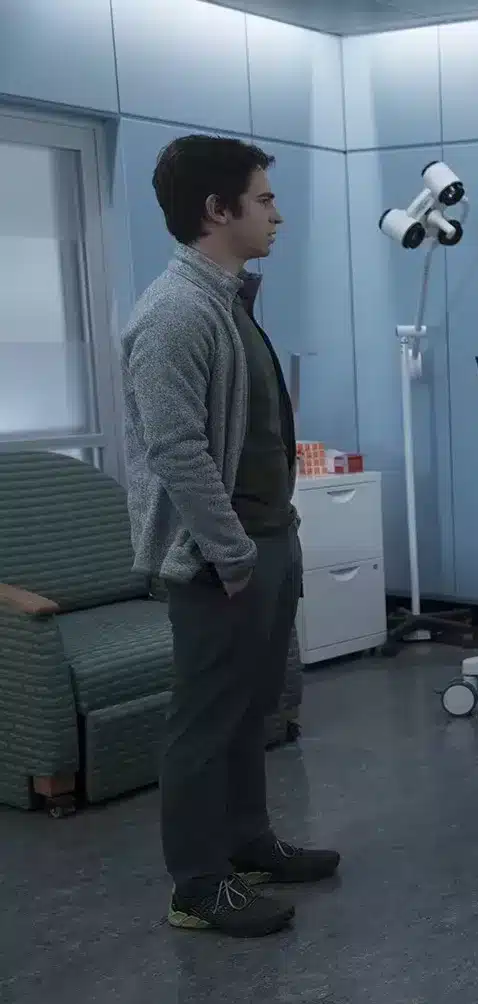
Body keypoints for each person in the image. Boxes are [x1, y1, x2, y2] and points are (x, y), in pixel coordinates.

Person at [124, 135, 340, 938]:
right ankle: (197, 884)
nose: (277, 215)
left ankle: (249, 842)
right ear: (218, 210)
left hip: (266, 538)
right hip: (220, 556)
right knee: (206, 720)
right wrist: (233, 551)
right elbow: (176, 450)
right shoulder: (174, 313)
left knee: (254, 707)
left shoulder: (227, 300)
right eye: (264, 199)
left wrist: (275, 535)